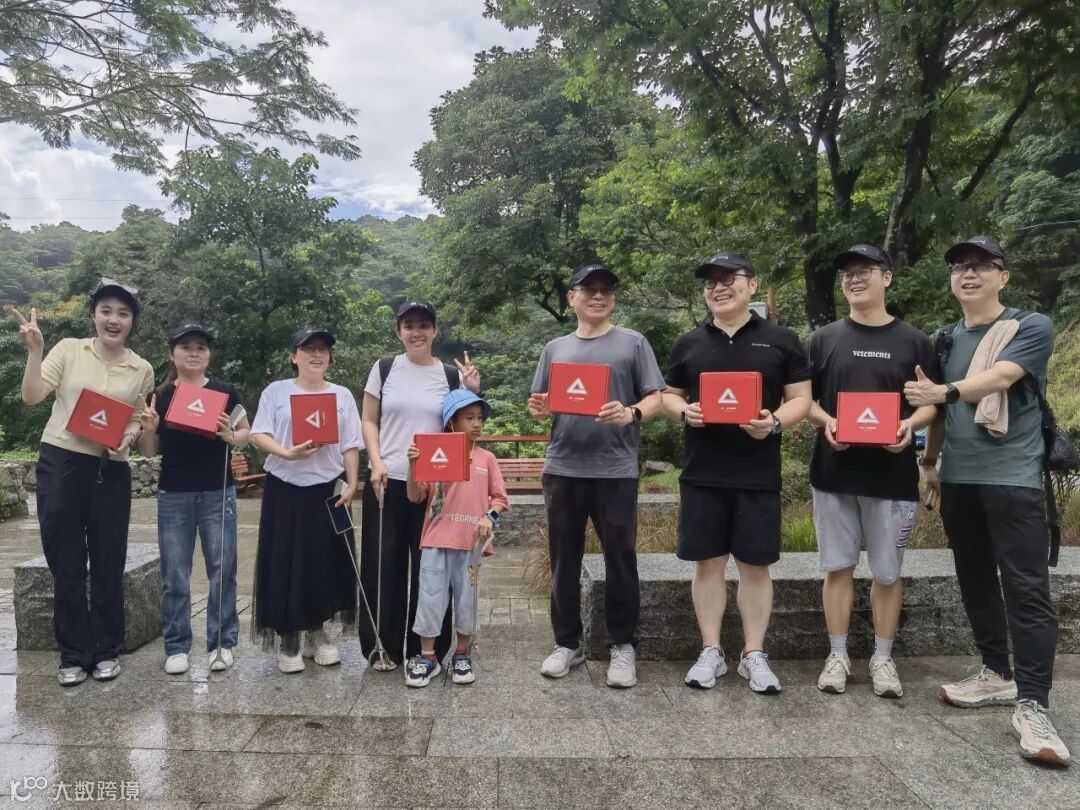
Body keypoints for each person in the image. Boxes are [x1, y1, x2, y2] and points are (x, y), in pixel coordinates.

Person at [905, 235, 1070, 766]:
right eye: (959, 266)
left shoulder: (1029, 325)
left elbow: (1001, 377)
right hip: (958, 479)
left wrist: (946, 392)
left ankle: (1034, 704)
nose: (968, 273)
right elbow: (937, 412)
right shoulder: (946, 338)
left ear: (1004, 276)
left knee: (1026, 589)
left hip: (1013, 478)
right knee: (974, 579)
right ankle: (997, 672)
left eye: (982, 265)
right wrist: (930, 462)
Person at [662, 252, 811, 694]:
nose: (719, 287)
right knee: (708, 564)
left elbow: (801, 399)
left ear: (752, 285)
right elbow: (668, 395)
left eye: (729, 278)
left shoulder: (781, 339)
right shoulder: (689, 342)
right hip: (702, 472)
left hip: (757, 473)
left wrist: (775, 422)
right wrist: (684, 411)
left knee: (755, 565)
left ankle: (754, 653)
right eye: (710, 282)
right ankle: (711, 651)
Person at [805, 245, 940, 699]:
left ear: (887, 278)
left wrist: (909, 425)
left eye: (865, 271)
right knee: (836, 568)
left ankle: (883, 658)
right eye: (848, 273)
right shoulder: (823, 339)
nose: (855, 279)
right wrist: (827, 423)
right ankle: (837, 655)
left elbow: (931, 404)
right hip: (833, 474)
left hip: (892, 477)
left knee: (887, 573)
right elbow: (804, 401)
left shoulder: (915, 341)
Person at [529, 262, 665, 689]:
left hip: (615, 470)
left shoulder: (633, 343)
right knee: (563, 561)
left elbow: (657, 398)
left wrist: (631, 412)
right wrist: (539, 408)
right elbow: (543, 403)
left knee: (620, 560)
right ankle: (566, 643)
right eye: (589, 289)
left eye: (606, 289)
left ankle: (623, 645)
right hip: (563, 468)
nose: (598, 296)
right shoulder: (555, 348)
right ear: (572, 297)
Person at [14, 279, 154, 685]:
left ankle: (107, 649)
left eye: (123, 313)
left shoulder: (142, 369)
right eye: (106, 310)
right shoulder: (69, 350)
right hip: (62, 462)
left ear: (132, 321)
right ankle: (74, 653)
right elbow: (32, 396)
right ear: (94, 315)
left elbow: (135, 420)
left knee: (109, 559)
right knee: (67, 561)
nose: (114, 319)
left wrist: (129, 438)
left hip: (111, 467)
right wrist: (35, 351)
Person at [358, 300, 479, 668]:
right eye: (409, 325)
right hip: (387, 481)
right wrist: (376, 461)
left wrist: (474, 389)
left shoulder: (449, 376)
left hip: (436, 488)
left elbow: (466, 427)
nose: (417, 332)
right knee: (384, 567)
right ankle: (382, 647)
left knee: (433, 570)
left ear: (435, 331)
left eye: (424, 325)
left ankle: (427, 650)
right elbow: (369, 420)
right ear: (399, 332)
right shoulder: (384, 368)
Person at [136, 322, 250, 675]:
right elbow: (149, 450)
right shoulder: (159, 395)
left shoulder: (225, 392)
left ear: (209, 354)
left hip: (218, 491)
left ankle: (222, 642)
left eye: (201, 346)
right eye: (186, 346)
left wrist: (231, 435)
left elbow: (245, 433)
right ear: (173, 353)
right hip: (174, 494)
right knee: (175, 574)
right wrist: (149, 429)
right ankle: (176, 645)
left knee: (223, 569)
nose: (194, 353)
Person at [249, 328, 361, 674]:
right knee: (284, 561)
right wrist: (287, 453)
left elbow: (351, 443)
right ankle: (289, 637)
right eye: (308, 348)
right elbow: (257, 433)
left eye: (323, 349)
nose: (316, 354)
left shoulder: (342, 395)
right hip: (284, 488)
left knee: (323, 562)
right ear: (293, 356)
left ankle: (316, 631)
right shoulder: (276, 391)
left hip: (327, 490)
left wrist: (352, 482)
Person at [403, 389, 509, 687]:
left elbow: (501, 500)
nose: (476, 424)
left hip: (470, 544)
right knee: (430, 598)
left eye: (479, 418)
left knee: (467, 601)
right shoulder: (434, 453)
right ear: (451, 422)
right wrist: (412, 465)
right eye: (468, 418)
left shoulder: (487, 459)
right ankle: (428, 657)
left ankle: (462, 654)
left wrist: (489, 517)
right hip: (435, 541)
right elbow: (414, 496)